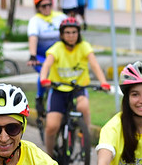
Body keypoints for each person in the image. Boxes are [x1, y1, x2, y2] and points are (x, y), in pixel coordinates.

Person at [38, 17, 110, 157]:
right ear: (62, 34)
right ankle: (49, 155)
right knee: (52, 126)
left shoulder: (84, 47)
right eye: (67, 32)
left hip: (78, 89)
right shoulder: (56, 48)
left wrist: (103, 82)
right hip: (58, 90)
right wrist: (43, 79)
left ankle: (85, 137)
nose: (71, 36)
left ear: (78, 33)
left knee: (83, 107)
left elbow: (94, 64)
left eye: (74, 32)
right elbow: (46, 65)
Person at [27, 0, 66, 107]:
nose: (47, 8)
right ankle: (40, 96)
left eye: (49, 4)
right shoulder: (35, 20)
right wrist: (33, 55)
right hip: (41, 56)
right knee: (45, 72)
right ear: (38, 7)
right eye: (44, 6)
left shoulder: (60, 17)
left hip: (58, 55)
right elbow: (33, 37)